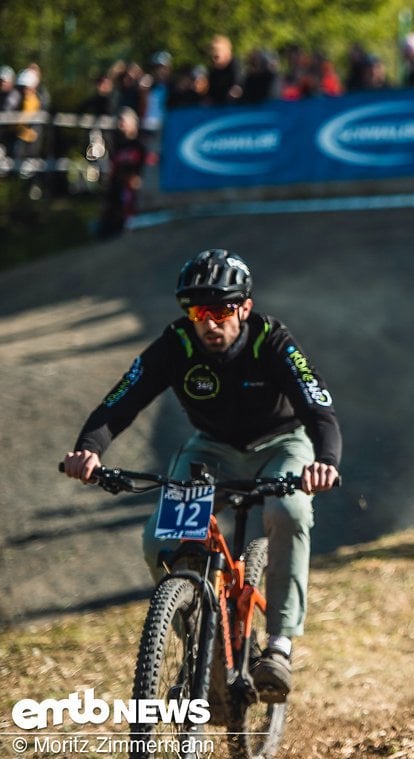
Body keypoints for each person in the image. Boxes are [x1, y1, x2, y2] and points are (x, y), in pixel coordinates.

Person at [62, 249, 342, 702]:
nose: (209, 323)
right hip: (211, 449)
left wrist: (324, 462)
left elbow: (318, 408)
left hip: (282, 445)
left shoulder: (271, 340)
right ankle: (200, 645)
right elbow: (121, 400)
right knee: (160, 542)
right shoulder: (177, 344)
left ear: (244, 308)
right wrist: (88, 450)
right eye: (196, 311)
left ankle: (279, 646)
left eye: (221, 310)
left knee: (289, 510)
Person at [95, 106, 148, 238]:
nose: (121, 125)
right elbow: (114, 170)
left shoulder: (141, 144)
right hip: (118, 190)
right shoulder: (118, 145)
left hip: (136, 190)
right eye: (119, 122)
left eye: (124, 121)